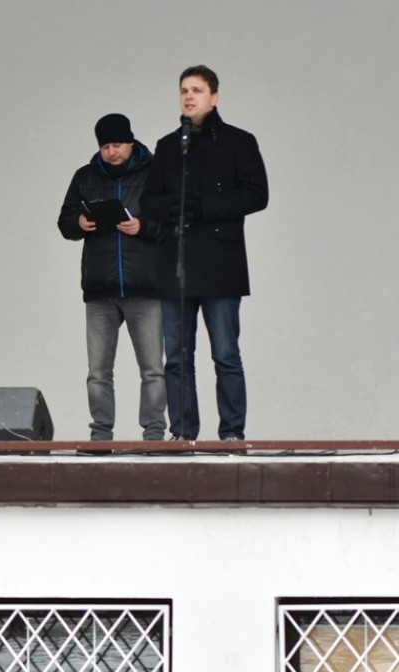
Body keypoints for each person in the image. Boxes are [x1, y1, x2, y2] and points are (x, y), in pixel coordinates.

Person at [141, 65, 268, 441]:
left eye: (196, 90)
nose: (188, 96)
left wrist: (204, 206)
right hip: (176, 263)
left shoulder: (239, 142)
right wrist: (175, 208)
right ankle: (183, 435)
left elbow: (256, 195)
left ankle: (232, 433)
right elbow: (148, 201)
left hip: (220, 265)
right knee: (177, 358)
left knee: (226, 354)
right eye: (183, 90)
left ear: (214, 97)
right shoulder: (168, 146)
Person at [58, 113, 167, 443]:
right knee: (98, 373)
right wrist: (79, 223)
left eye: (117, 144)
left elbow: (173, 224)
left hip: (146, 288)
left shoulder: (156, 173)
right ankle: (100, 437)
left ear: (131, 142)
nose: (111, 152)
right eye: (105, 146)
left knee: (153, 370)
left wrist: (142, 227)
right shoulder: (84, 176)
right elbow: (65, 222)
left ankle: (154, 436)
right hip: (100, 290)